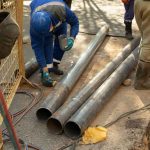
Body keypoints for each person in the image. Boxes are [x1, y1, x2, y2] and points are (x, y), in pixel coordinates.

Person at [30, 0, 79, 87]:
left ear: (51, 24)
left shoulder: (62, 9)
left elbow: (75, 23)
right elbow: (37, 48)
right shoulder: (35, 25)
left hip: (58, 16)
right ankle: (47, 69)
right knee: (46, 43)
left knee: (63, 42)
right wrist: (45, 71)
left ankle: (54, 64)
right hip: (43, 14)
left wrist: (72, 38)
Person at [134, 0, 150, 90]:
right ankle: (141, 81)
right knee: (148, 43)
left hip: (139, 2)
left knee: (145, 37)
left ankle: (146, 74)